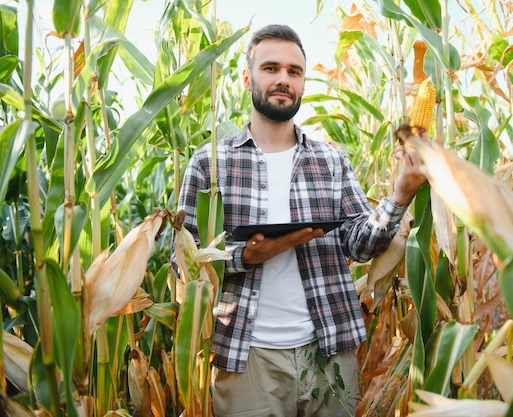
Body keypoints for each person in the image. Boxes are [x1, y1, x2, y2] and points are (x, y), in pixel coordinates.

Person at [176, 24, 426, 417]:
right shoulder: (211, 163)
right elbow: (184, 261)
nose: (283, 79)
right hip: (246, 355)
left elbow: (360, 244)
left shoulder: (330, 161)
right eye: (270, 68)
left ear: (303, 83)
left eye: (294, 71)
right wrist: (246, 256)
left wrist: (400, 195)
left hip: (329, 349)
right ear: (247, 77)